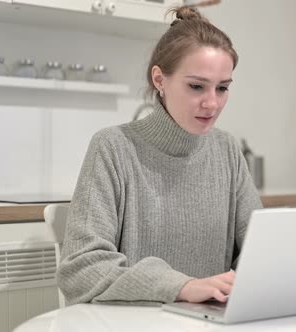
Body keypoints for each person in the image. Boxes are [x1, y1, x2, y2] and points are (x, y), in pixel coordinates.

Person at [57, 6, 262, 305]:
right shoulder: (113, 147)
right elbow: (81, 269)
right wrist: (182, 286)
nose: (212, 103)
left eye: (222, 88)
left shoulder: (227, 150)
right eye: (196, 86)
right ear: (159, 80)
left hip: (206, 324)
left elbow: (259, 252)